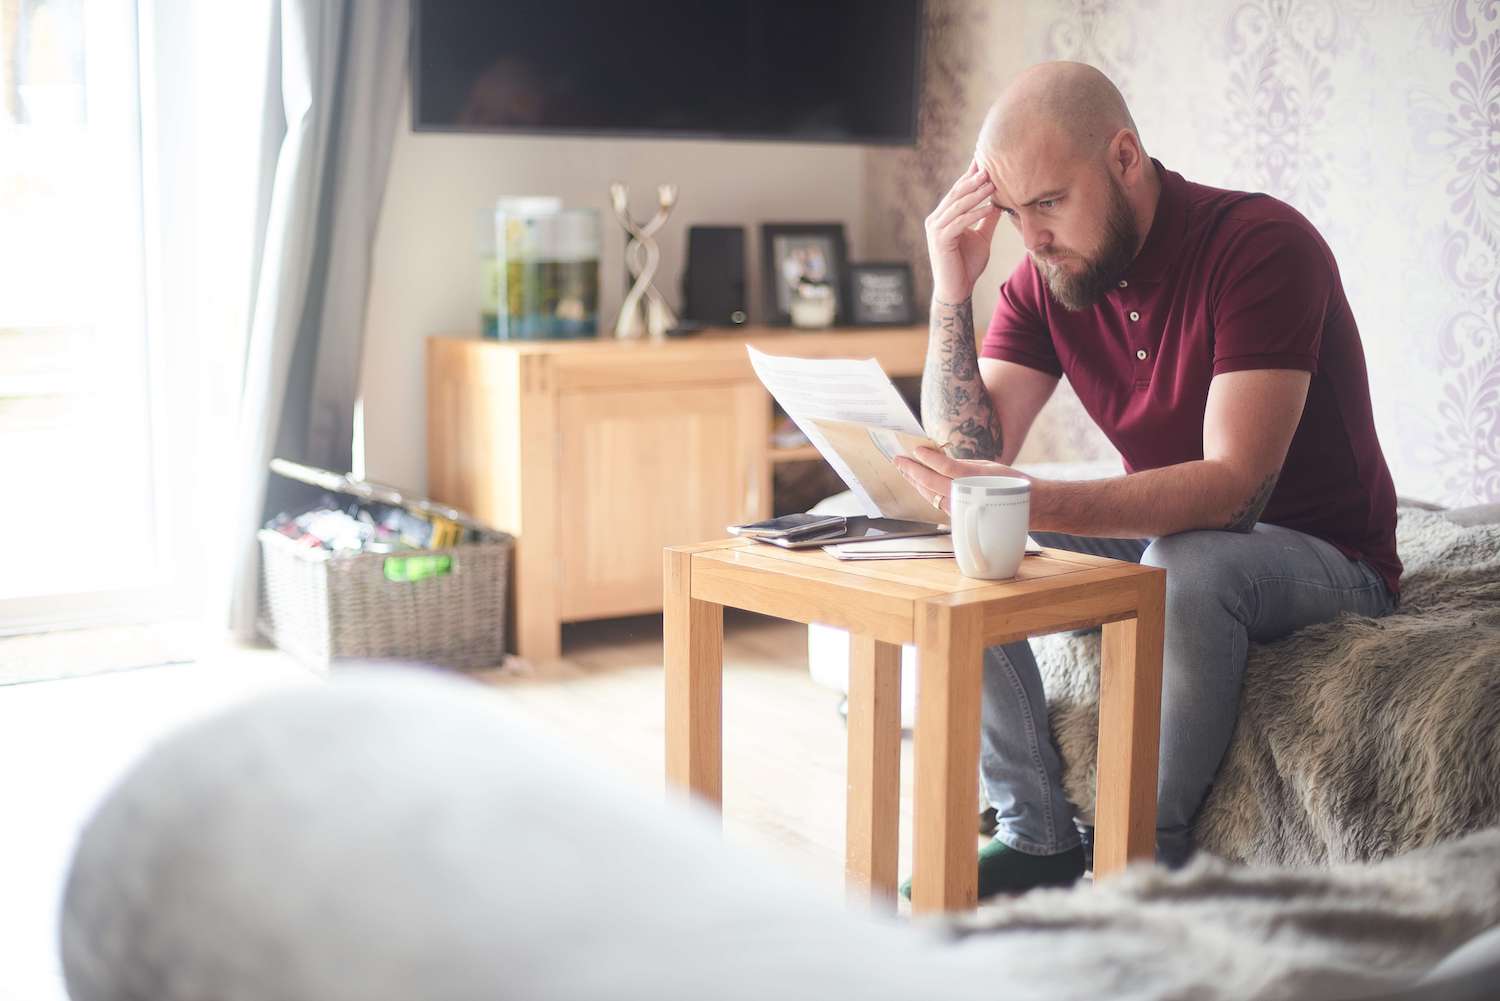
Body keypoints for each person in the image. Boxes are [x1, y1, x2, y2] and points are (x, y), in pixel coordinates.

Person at [893, 61, 1401, 900]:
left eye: (1049, 202)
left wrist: (1021, 497)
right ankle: (1037, 830)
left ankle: (1139, 857)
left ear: (1124, 157)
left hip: (1326, 551)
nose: (1033, 236)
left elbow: (1236, 488)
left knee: (1186, 564)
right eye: (1014, 214)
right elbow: (971, 447)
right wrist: (953, 287)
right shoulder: (1051, 276)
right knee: (959, 524)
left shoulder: (1262, 245)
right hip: (1180, 530)